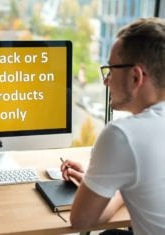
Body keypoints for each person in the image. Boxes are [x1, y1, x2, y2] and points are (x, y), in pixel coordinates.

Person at [61, 17, 165, 235]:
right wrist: (107, 181)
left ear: (135, 77)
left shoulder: (123, 135)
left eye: (111, 69)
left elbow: (82, 220)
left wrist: (112, 183)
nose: (106, 80)